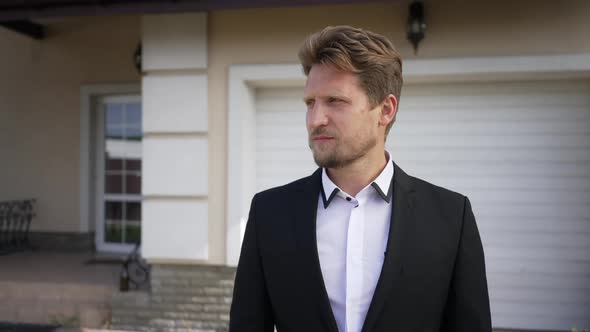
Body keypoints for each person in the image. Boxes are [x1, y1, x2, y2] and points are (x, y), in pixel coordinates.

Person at [229, 25, 491, 332]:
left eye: (335, 101)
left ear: (385, 110)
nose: (315, 120)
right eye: (310, 103)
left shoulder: (450, 217)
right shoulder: (269, 213)